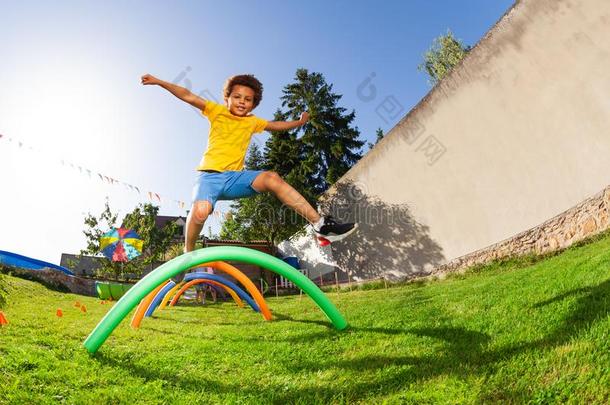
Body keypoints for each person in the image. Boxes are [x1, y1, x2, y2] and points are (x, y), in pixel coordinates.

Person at [141, 73, 357, 254]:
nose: (242, 101)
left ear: (254, 104)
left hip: (235, 178)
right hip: (209, 177)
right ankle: (188, 253)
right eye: (237, 97)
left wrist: (299, 122)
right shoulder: (216, 111)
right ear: (227, 98)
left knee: (272, 178)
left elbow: (276, 125)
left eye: (248, 99)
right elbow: (187, 95)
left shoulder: (253, 122)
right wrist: (160, 82)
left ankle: (320, 225)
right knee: (201, 212)